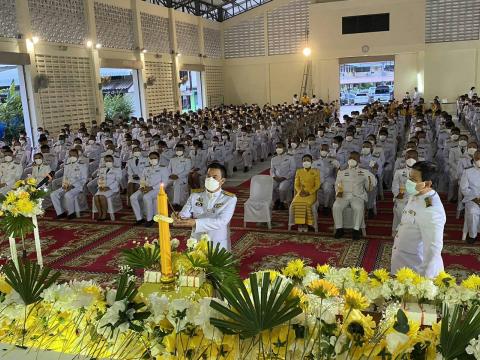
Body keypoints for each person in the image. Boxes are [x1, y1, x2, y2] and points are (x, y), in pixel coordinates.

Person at [391, 161, 446, 278]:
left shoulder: (431, 209)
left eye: (413, 180)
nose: (409, 182)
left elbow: (433, 249)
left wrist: (422, 281)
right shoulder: (417, 195)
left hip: (415, 272)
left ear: (427, 184)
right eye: (409, 178)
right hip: (403, 265)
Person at [174, 163, 237, 250]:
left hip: (217, 242)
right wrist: (179, 216)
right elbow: (185, 213)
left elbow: (222, 221)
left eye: (214, 177)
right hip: (196, 241)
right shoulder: (195, 195)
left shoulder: (229, 199)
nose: (210, 179)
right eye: (208, 176)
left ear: (222, 181)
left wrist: (195, 223)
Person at [332, 151, 376, 240]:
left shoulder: (364, 171)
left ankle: (356, 230)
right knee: (336, 206)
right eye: (350, 158)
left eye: (355, 158)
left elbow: (370, 187)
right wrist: (338, 192)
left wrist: (372, 173)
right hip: (343, 195)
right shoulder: (342, 172)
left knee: (358, 208)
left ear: (359, 160)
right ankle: (339, 228)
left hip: (357, 196)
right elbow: (337, 184)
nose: (352, 160)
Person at [130, 151, 170, 227]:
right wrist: (142, 187)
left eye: (155, 158)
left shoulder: (163, 168)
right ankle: (139, 218)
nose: (153, 160)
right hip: (145, 188)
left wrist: (152, 187)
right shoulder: (146, 168)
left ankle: (149, 219)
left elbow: (165, 182)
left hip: (157, 189)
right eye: (151, 158)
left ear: (159, 158)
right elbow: (142, 179)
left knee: (146, 197)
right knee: (133, 197)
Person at [50, 149, 88, 219]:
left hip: (77, 187)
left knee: (68, 195)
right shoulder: (67, 165)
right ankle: (60, 213)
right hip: (66, 185)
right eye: (70, 155)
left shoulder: (82, 165)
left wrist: (73, 186)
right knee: (53, 194)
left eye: (74, 155)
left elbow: (84, 179)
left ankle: (71, 213)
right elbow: (65, 177)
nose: (72, 157)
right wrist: (64, 186)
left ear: (78, 155)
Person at [291, 155, 320, 232]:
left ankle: (307, 223)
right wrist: (300, 192)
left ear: (311, 161)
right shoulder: (299, 171)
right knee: (296, 202)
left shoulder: (316, 171)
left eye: (308, 160)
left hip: (311, 193)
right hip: (301, 192)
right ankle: (300, 223)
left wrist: (309, 192)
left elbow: (317, 185)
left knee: (306, 203)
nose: (306, 162)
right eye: (304, 161)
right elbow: (296, 184)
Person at [93, 155, 122, 221]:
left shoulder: (117, 169)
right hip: (102, 187)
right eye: (106, 161)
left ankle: (104, 214)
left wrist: (109, 187)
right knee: (96, 197)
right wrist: (100, 186)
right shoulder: (102, 169)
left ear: (113, 161)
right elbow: (99, 179)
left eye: (110, 161)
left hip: (111, 189)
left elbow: (118, 181)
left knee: (102, 197)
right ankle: (100, 213)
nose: (108, 162)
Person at [460, 150, 480, 244]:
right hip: (472, 199)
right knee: (472, 212)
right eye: (478, 158)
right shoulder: (468, 171)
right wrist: (475, 198)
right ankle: (472, 235)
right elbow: (464, 188)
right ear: (474, 159)